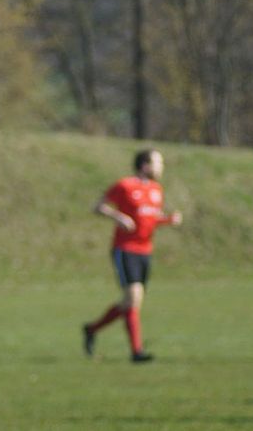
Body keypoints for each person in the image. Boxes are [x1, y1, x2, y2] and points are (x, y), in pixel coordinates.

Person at [82, 149, 182, 363]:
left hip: (146, 251)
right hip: (125, 249)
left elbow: (150, 219)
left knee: (130, 303)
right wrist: (119, 217)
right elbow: (99, 206)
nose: (161, 167)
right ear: (145, 165)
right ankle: (137, 352)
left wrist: (168, 221)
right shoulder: (125, 186)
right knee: (133, 298)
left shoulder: (156, 190)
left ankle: (92, 329)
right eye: (158, 162)